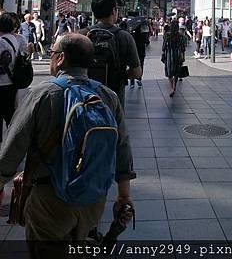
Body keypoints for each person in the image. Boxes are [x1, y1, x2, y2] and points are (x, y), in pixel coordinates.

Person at [0, 33, 135, 246]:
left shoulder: (41, 94)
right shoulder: (108, 96)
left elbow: (12, 149)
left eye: (52, 53)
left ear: (60, 58)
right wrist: (124, 196)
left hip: (50, 200)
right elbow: (123, 147)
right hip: (93, 199)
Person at [89, 0, 141, 108]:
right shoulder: (124, 37)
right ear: (114, 11)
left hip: (84, 101)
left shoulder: (82, 35)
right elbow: (137, 72)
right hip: (114, 101)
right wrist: (120, 75)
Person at [0, 13, 19, 143]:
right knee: (10, 116)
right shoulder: (14, 39)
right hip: (11, 83)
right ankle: (13, 143)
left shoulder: (1, 41)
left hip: (1, 83)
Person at [162, 20, 185, 97]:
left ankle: (172, 87)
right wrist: (183, 56)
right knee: (176, 72)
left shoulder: (167, 35)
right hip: (178, 55)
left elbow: (164, 46)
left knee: (169, 72)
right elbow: (183, 48)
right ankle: (174, 86)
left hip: (169, 55)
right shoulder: (181, 36)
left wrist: (163, 52)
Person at [130, 22, 150, 88]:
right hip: (141, 52)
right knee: (140, 65)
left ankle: (132, 81)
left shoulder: (132, 34)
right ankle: (139, 79)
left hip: (133, 53)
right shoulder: (143, 34)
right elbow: (147, 42)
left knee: (132, 66)